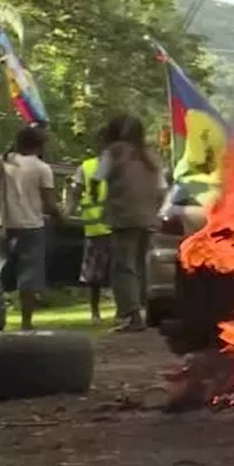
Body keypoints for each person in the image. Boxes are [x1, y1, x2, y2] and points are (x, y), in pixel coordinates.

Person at [93, 114, 165, 332]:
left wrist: (101, 198)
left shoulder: (113, 153)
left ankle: (131, 315)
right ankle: (144, 311)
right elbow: (162, 188)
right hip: (149, 216)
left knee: (123, 266)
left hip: (124, 216)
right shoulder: (150, 156)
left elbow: (97, 178)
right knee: (141, 265)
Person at [0, 125, 60, 330]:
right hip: (32, 226)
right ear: (39, 145)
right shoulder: (41, 168)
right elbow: (49, 203)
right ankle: (26, 322)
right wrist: (59, 216)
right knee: (30, 274)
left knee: (1, 271)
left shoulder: (3, 163)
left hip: (5, 224)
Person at [67, 122, 116, 324]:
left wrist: (67, 213)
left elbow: (75, 194)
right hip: (110, 227)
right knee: (114, 272)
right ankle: (117, 311)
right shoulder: (94, 167)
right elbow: (75, 193)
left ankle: (97, 313)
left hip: (98, 228)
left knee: (96, 275)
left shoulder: (86, 167)